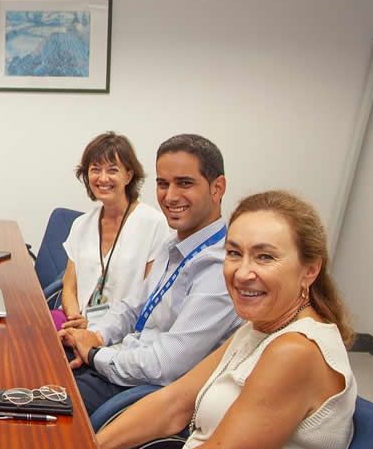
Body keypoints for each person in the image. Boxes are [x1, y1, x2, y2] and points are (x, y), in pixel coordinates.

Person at [96, 190, 357, 449]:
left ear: (309, 270)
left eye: (264, 257)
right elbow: (174, 404)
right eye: (234, 253)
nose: (242, 272)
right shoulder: (258, 328)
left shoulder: (296, 351)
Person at [60, 134, 242, 414]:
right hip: (118, 364)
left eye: (184, 183)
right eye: (162, 183)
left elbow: (165, 365)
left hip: (138, 393)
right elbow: (132, 308)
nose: (170, 196)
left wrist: (95, 354)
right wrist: (95, 336)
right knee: (27, 372)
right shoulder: (173, 245)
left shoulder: (220, 268)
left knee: (34, 410)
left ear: (217, 188)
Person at [57, 132, 171, 330]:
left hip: (122, 334)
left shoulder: (153, 223)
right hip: (77, 324)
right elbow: (69, 287)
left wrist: (93, 329)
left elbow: (150, 297)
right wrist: (76, 321)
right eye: (95, 170)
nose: (102, 178)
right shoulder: (81, 225)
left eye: (112, 170)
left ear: (128, 175)